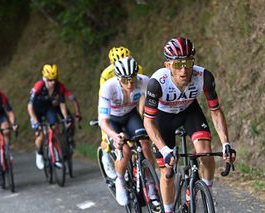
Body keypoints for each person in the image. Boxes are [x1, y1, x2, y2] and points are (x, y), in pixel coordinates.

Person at [143, 37, 236, 213]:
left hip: (189, 111)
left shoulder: (204, 77)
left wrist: (225, 143)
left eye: (188, 62)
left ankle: (206, 193)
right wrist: (164, 150)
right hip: (163, 118)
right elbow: (148, 121)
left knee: (205, 153)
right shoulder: (157, 83)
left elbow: (215, 111)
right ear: (168, 65)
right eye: (178, 64)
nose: (184, 70)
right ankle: (169, 210)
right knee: (167, 170)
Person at [98, 56, 156, 206]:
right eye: (125, 80)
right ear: (118, 79)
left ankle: (150, 183)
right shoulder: (108, 87)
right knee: (124, 151)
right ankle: (120, 181)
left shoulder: (144, 81)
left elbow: (157, 107)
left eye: (132, 79)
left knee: (144, 143)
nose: (130, 84)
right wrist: (114, 136)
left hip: (131, 115)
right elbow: (103, 122)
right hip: (113, 120)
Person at [99, 46, 145, 180]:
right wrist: (107, 137)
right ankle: (106, 154)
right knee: (112, 143)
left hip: (130, 111)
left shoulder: (137, 70)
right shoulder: (106, 75)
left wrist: (142, 115)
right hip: (112, 112)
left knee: (143, 139)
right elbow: (103, 104)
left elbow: (143, 94)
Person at [27, 64, 71, 170]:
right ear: (45, 79)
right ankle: (39, 153)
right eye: (50, 80)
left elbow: (62, 104)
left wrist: (65, 117)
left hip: (47, 109)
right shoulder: (38, 86)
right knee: (40, 135)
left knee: (56, 128)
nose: (53, 82)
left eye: (55, 79)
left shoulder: (58, 87)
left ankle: (56, 155)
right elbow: (30, 106)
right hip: (36, 110)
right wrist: (35, 121)